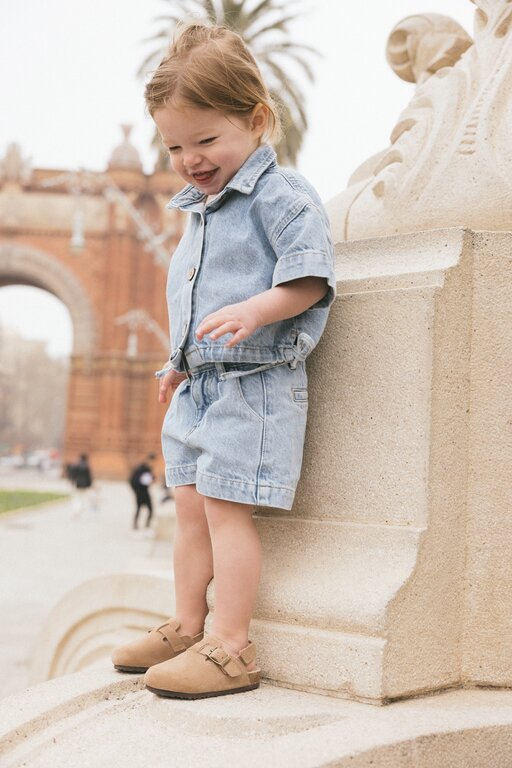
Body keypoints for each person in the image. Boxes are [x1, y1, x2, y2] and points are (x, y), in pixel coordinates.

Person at [111, 23, 336, 699]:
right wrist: (180, 360)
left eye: (206, 140)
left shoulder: (282, 195)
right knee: (186, 503)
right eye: (175, 145)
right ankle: (186, 623)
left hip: (254, 384)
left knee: (223, 509)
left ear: (258, 120)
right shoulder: (199, 210)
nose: (189, 159)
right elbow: (195, 294)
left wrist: (259, 310)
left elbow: (311, 277)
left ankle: (231, 645)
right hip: (201, 385)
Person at [129, 454, 155, 529]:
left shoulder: (149, 469)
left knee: (150, 509)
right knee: (138, 508)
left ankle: (147, 524)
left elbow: (152, 478)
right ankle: (135, 524)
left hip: (146, 491)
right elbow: (133, 481)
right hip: (139, 492)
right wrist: (136, 490)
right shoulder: (140, 469)